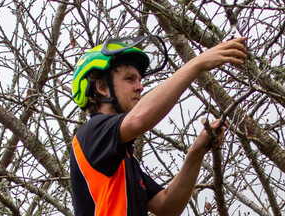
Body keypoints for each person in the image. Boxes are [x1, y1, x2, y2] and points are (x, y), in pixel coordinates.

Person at [69, 36, 247, 216]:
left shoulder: (123, 161)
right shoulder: (91, 133)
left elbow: (167, 206)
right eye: (130, 79)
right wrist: (196, 64)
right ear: (102, 87)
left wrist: (197, 151)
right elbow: (138, 120)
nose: (140, 86)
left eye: (139, 79)